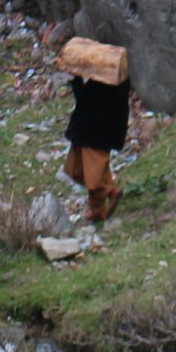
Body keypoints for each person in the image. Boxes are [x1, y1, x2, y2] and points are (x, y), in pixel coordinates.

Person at [62, 48, 131, 224]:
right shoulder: (119, 78)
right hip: (104, 132)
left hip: (92, 133)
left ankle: (110, 191)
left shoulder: (102, 82)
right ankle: (97, 212)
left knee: (87, 174)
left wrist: (76, 78)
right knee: (97, 172)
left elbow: (84, 99)